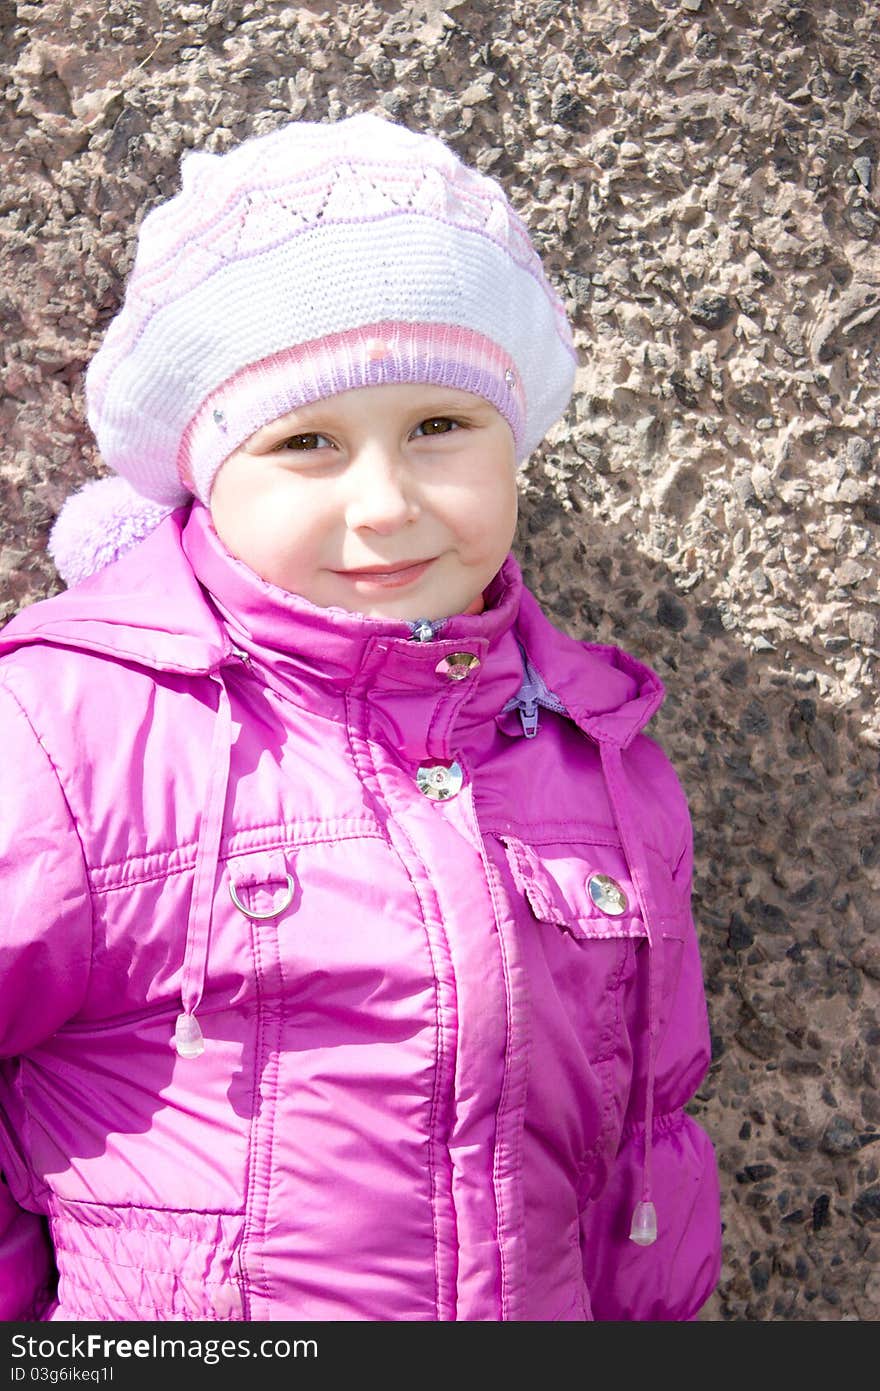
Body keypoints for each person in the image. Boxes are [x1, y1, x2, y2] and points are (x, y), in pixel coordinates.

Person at [0, 113, 721, 1322]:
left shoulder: (601, 751)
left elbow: (651, 1131)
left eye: (440, 427)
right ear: (205, 471)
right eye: (306, 443)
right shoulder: (69, 731)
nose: (383, 504)